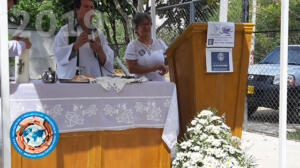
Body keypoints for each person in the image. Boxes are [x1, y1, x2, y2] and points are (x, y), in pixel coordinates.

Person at [53, 0, 114, 79]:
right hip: (71, 83)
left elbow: (107, 63)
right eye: (86, 7)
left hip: (94, 83)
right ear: (77, 10)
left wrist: (100, 51)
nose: (90, 10)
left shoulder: (98, 34)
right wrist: (74, 46)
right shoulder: (65, 31)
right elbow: (58, 55)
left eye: (92, 7)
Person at [125, 13, 168, 81]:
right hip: (141, 86)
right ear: (136, 28)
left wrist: (167, 68)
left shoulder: (160, 43)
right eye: (143, 25)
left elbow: (169, 62)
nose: (147, 27)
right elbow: (131, 69)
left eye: (148, 24)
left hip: (160, 85)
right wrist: (154, 68)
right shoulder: (132, 46)